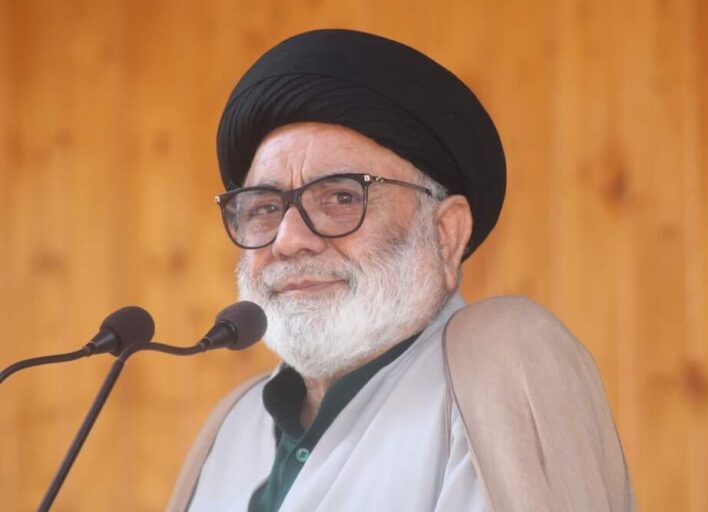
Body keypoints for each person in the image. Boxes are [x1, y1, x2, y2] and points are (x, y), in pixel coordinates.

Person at [169, 29, 636, 512]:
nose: (288, 240)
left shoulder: (502, 363)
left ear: (445, 233)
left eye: (341, 197)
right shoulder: (232, 426)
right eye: (265, 207)